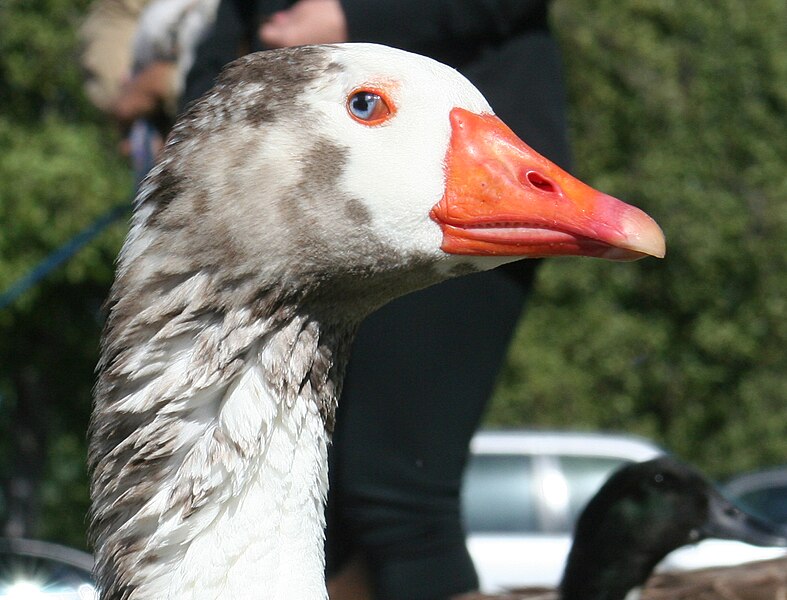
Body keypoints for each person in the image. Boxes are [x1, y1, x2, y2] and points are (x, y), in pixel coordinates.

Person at [181, 2, 572, 598]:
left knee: (397, 494)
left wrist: (357, 20)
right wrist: (193, 126)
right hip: (285, 179)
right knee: (300, 496)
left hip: (455, 191)